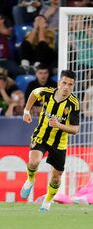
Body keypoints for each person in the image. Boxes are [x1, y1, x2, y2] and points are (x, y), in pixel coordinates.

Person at [20, 70, 80, 212]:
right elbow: (34, 93)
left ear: (73, 86)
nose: (66, 87)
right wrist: (26, 111)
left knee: (56, 177)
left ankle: (48, 201)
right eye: (64, 83)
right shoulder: (47, 92)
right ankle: (30, 179)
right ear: (59, 82)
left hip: (59, 142)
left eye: (70, 85)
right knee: (33, 162)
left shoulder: (74, 103)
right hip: (41, 135)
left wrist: (59, 125)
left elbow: (75, 129)